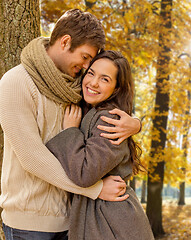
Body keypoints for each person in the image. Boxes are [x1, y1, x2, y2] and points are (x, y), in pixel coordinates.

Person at [0, 9, 141, 239]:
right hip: (30, 225)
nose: (87, 67)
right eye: (85, 57)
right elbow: (32, 158)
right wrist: (95, 189)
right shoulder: (16, 82)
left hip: (72, 222)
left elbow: (108, 103)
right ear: (65, 42)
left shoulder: (77, 85)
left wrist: (136, 123)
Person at [46, 50, 154, 240]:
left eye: (105, 79)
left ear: (116, 88)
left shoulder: (109, 118)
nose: (94, 83)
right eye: (91, 73)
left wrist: (70, 131)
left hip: (111, 222)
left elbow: (84, 174)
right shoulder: (91, 110)